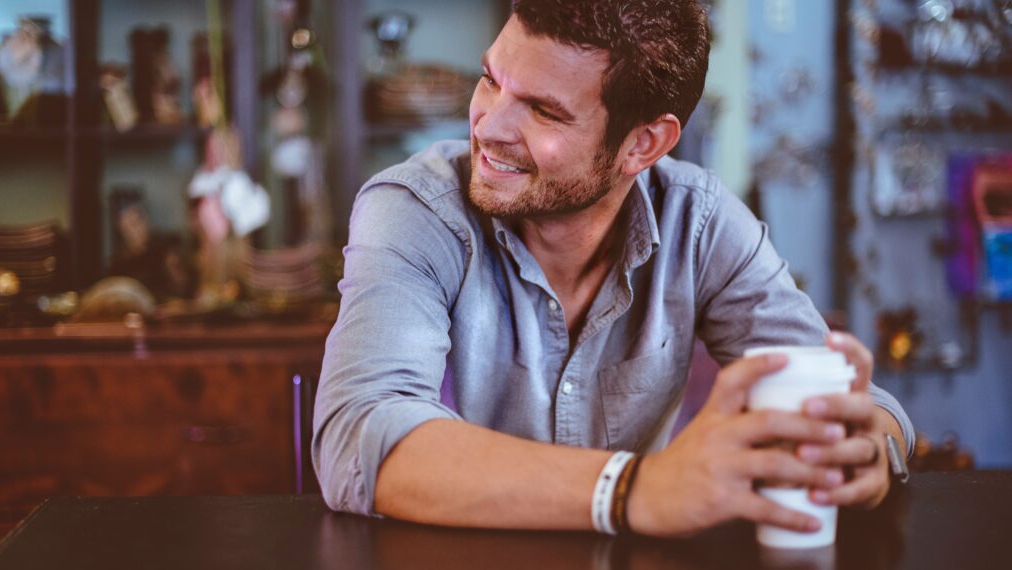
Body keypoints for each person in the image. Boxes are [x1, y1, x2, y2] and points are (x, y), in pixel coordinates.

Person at [313, 0, 913, 537]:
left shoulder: (700, 223)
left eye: (543, 111)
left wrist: (866, 446)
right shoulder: (415, 209)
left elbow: (866, 407)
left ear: (643, 145)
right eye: (491, 80)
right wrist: (635, 489)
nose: (488, 127)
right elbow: (360, 438)